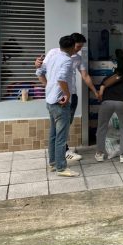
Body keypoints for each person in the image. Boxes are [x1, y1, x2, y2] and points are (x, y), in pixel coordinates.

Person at [35, 33, 99, 162]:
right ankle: (61, 159)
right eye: (78, 46)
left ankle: (55, 159)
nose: (79, 50)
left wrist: (95, 91)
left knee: (62, 127)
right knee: (59, 130)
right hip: (62, 97)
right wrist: (52, 89)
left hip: (71, 96)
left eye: (81, 47)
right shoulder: (54, 54)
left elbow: (85, 76)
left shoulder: (77, 58)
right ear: (71, 44)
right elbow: (41, 71)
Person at [37, 35, 79, 177]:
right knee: (61, 137)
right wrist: (67, 94)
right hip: (60, 103)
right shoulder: (67, 60)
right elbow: (61, 79)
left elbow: (39, 72)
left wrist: (49, 87)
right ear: (72, 47)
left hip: (50, 101)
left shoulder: (53, 57)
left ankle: (53, 163)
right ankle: (61, 168)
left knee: (53, 135)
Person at [94, 64, 123, 163]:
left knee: (101, 128)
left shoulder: (107, 79)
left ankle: (99, 154)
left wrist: (102, 100)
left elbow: (100, 93)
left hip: (107, 102)